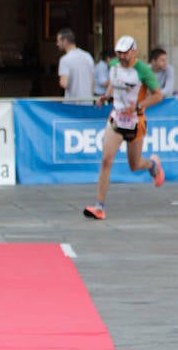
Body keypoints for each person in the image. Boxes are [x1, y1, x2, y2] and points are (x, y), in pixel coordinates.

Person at [84, 35, 165, 220]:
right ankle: (99, 206)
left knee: (134, 165)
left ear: (133, 52)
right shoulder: (113, 65)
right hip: (117, 118)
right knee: (106, 160)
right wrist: (106, 95)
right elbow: (115, 81)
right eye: (119, 54)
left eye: (125, 54)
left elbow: (158, 96)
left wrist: (137, 106)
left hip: (136, 121)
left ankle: (152, 164)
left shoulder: (143, 71)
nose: (122, 57)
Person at [55, 28, 95, 104]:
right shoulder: (88, 56)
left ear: (65, 41)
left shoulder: (65, 59)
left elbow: (64, 83)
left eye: (58, 41)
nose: (57, 44)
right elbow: (93, 81)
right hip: (88, 101)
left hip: (72, 103)